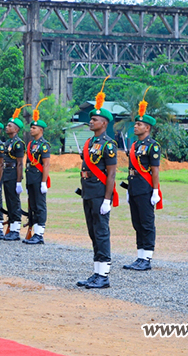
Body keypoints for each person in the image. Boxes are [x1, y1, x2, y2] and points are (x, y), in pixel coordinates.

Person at [77, 82, 118, 289]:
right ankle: (96, 272)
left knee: (101, 232)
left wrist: (108, 199)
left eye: (94, 119)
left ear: (104, 123)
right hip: (88, 192)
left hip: (100, 193)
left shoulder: (108, 144)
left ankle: (104, 275)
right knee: (93, 232)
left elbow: (111, 174)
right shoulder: (90, 143)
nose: (90, 121)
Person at [123, 92, 162, 271]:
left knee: (146, 223)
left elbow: (154, 170)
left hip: (146, 188)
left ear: (147, 128)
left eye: (139, 124)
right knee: (136, 223)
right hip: (134, 188)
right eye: (136, 124)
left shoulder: (152, 145)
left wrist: (155, 191)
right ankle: (139, 256)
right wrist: (128, 189)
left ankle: (147, 258)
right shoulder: (135, 145)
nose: (135, 126)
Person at [24, 101, 51, 245]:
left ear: (40, 129)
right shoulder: (31, 144)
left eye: (33, 128)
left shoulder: (44, 145)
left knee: (40, 205)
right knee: (32, 205)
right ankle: (34, 231)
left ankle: (39, 234)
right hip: (30, 177)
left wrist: (43, 182)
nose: (31, 130)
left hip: (39, 177)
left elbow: (46, 164)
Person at [1, 106, 27, 241]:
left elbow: (20, 163)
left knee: (14, 202)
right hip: (6, 173)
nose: (7, 127)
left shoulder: (18, 143)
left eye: (10, 126)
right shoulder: (8, 142)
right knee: (9, 202)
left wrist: (18, 181)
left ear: (16, 129)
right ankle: (11, 227)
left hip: (13, 174)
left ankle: (16, 230)